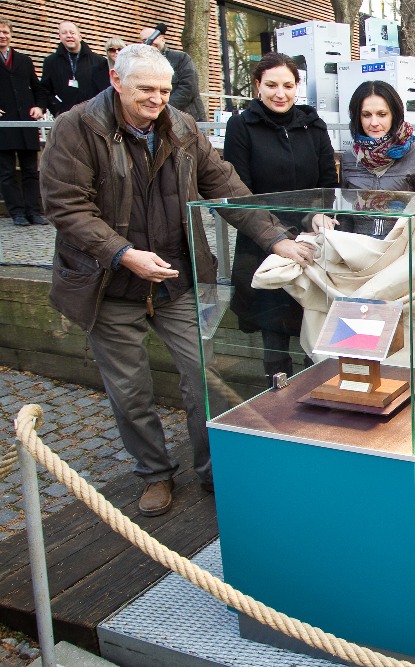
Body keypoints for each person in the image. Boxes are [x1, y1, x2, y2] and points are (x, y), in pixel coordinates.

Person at [39, 44, 313, 517]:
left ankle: (212, 471)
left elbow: (226, 187)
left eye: (165, 89)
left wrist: (275, 238)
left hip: (175, 280)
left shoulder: (182, 127)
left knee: (202, 378)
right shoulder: (76, 128)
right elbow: (66, 206)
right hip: (109, 285)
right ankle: (154, 473)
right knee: (130, 390)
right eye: (146, 89)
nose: (157, 99)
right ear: (116, 80)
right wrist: (123, 254)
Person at [224, 52, 338, 384]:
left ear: (296, 87)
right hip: (263, 243)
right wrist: (277, 236)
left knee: (314, 327)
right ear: (258, 85)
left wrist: (320, 214)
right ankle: (280, 406)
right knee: (273, 335)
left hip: (311, 243)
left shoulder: (313, 125)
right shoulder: (242, 126)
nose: (280, 93)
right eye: (271, 85)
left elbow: (328, 184)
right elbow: (239, 191)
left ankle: (318, 402)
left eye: (288, 85)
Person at [339, 79, 415, 237]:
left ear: (394, 114)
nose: (374, 122)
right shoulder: (349, 158)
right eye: (366, 115)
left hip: (404, 248)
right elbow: (344, 213)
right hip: (359, 248)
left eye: (382, 114)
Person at [0, 18, 46, 227]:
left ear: (11, 34)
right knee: (6, 172)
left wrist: (39, 107)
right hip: (3, 125)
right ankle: (17, 212)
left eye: (6, 32)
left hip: (26, 124)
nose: (3, 36)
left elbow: (38, 89)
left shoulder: (24, 60)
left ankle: (33, 211)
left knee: (30, 171)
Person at [39, 21, 110, 116]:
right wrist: (56, 108)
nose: (69, 36)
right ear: (59, 37)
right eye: (64, 33)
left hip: (93, 117)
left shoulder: (99, 61)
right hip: (66, 118)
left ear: (80, 37)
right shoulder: (51, 62)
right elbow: (45, 89)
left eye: (72, 33)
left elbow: (105, 91)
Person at [139, 26, 206, 121]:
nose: (150, 42)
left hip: (187, 120)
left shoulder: (181, 58)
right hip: (158, 120)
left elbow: (188, 88)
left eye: (153, 37)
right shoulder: (141, 65)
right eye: (145, 40)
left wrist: (163, 107)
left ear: (162, 39)